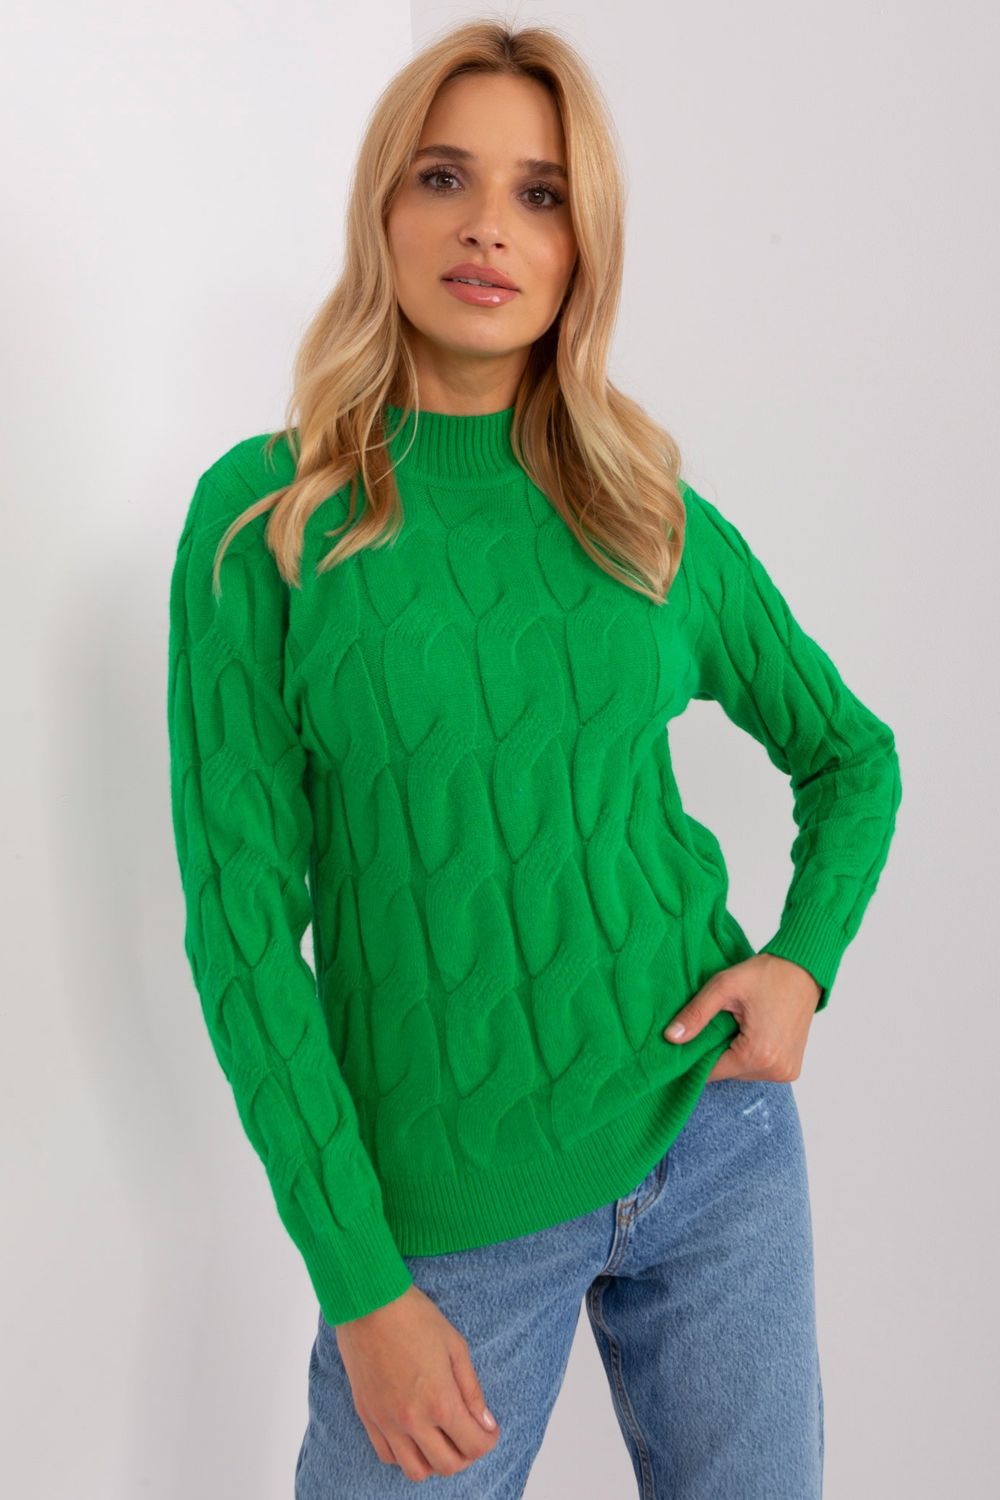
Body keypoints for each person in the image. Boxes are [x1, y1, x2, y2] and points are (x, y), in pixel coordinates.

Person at [165, 19, 902, 1499]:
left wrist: (801, 964)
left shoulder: (643, 510)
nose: (488, 225)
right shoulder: (271, 522)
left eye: (541, 192)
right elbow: (242, 937)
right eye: (444, 176)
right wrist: (362, 1284)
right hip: (444, 1229)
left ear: (583, 246)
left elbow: (851, 755)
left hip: (714, 1142)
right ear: (383, 208)